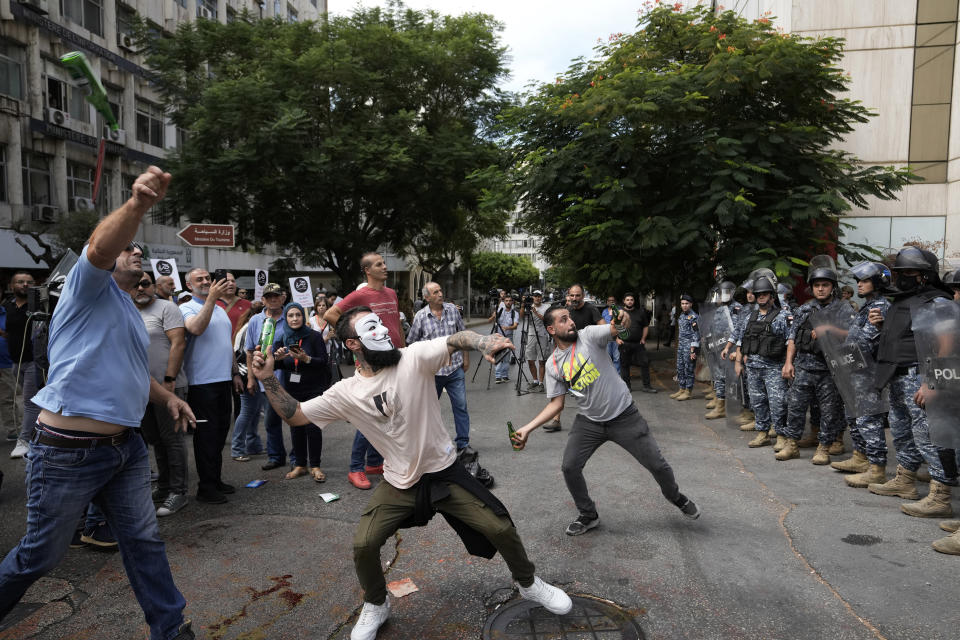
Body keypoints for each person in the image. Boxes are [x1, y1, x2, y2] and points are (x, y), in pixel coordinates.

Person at [250, 306, 572, 640]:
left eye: (383, 324)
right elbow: (297, 415)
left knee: (500, 527)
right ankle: (377, 603)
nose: (384, 330)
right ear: (352, 344)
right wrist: (268, 378)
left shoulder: (413, 358)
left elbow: (453, 340)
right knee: (364, 543)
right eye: (371, 327)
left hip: (445, 472)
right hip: (399, 482)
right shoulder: (345, 393)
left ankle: (528, 583)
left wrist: (481, 342)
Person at [0, 167, 197, 640]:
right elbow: (100, 249)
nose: (136, 253)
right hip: (67, 451)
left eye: (140, 250)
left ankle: (170, 632)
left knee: (144, 542)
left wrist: (166, 394)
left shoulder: (127, 309)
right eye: (131, 248)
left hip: (124, 449)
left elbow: (131, 371)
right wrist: (138, 206)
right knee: (40, 556)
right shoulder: (87, 287)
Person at [511, 306, 700, 537]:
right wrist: (527, 428)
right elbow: (556, 404)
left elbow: (616, 330)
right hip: (589, 422)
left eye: (570, 317)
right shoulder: (552, 365)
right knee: (570, 467)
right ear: (551, 329)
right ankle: (588, 515)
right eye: (563, 320)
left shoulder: (589, 335)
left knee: (657, 465)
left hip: (624, 416)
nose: (571, 322)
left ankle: (676, 497)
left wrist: (622, 321)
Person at [867, 247, 958, 518]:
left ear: (925, 275)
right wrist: (882, 326)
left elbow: (947, 342)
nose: (902, 277)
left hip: (919, 377)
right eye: (900, 272)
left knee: (928, 436)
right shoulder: (904, 301)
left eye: (909, 272)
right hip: (897, 376)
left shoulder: (937, 302)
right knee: (902, 432)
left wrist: (932, 383)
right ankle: (905, 480)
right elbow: (909, 337)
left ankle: (940, 495)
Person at [324, 252, 404, 490]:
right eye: (379, 264)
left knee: (389, 412)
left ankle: (374, 462)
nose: (384, 267)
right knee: (371, 414)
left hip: (395, 356)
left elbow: (396, 323)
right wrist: (355, 341)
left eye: (384, 263)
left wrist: (405, 348)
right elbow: (331, 315)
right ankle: (356, 468)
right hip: (372, 362)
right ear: (368, 270)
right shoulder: (360, 295)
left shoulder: (390, 293)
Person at [181, 267, 244, 504]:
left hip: (223, 381)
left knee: (218, 435)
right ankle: (205, 488)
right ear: (189, 285)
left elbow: (225, 346)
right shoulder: (186, 307)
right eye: (200, 279)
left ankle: (215, 480)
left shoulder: (219, 309)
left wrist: (235, 373)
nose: (206, 281)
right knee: (205, 437)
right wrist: (210, 299)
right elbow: (196, 328)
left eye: (208, 278)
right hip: (201, 383)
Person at [778, 258, 848, 462]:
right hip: (804, 367)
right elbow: (792, 337)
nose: (820, 289)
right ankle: (792, 444)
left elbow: (853, 335)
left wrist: (829, 330)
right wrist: (788, 362)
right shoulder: (804, 309)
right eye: (817, 285)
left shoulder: (842, 310)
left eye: (825, 285)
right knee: (795, 406)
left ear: (832, 287)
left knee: (829, 411)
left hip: (829, 370)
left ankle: (824, 448)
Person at [133, 272, 190, 516]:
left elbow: (178, 344)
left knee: (173, 439)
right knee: (155, 439)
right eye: (135, 284)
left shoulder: (167, 308)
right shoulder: (127, 309)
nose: (140, 288)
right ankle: (165, 485)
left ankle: (179, 492)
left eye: (145, 283)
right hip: (140, 388)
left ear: (154, 286)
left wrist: (169, 381)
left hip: (169, 387)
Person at [830, 262, 891, 488]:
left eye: (864, 280)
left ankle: (876, 470)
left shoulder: (880, 307)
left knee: (868, 419)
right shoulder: (867, 307)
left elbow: (866, 342)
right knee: (854, 417)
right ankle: (860, 457)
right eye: (859, 280)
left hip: (868, 373)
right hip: (855, 371)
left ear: (877, 282)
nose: (859, 284)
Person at [407, 282, 472, 452]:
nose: (440, 294)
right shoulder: (420, 317)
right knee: (427, 410)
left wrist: (466, 358)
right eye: (436, 292)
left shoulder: (452, 310)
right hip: (432, 372)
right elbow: (412, 343)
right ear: (427, 297)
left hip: (454, 368)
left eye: (440, 290)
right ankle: (427, 443)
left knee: (461, 406)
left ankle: (463, 443)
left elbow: (463, 335)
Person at [273, 302, 330, 482]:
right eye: (291, 315)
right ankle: (300, 465)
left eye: (298, 315)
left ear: (303, 317)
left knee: (313, 427)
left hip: (314, 387)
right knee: (296, 427)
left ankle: (315, 465)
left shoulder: (313, 336)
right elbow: (276, 365)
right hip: (292, 388)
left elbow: (323, 362)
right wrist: (278, 359)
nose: (295, 318)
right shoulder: (282, 337)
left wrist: (306, 359)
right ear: (286, 318)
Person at [734, 276, 789, 448]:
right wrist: (738, 361)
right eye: (759, 294)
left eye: (765, 294)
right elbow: (741, 340)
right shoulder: (751, 316)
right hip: (753, 367)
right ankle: (763, 433)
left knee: (778, 402)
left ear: (772, 296)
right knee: (757, 402)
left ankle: (781, 435)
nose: (761, 297)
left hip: (774, 368)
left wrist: (789, 364)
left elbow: (790, 342)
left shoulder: (783, 316)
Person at [243, 283, 289, 471]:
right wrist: (251, 378)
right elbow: (248, 351)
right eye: (268, 296)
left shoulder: (292, 315)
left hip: (289, 376)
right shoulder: (255, 321)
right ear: (263, 299)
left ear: (283, 297)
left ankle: (300, 458)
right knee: (271, 419)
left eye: (276, 296)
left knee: (299, 417)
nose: (273, 299)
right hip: (266, 380)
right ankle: (276, 456)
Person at [4, 271, 40, 458]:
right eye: (20, 282)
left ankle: (24, 440)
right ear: (12, 286)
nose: (25, 285)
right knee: (35, 402)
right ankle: (41, 432)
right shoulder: (7, 306)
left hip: (35, 360)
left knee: (30, 402)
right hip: (16, 362)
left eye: (29, 282)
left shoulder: (38, 306)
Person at [230, 305, 264, 461]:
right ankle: (237, 449)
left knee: (254, 411)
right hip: (246, 374)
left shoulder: (246, 326)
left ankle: (253, 445)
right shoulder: (251, 327)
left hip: (248, 373)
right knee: (247, 411)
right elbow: (245, 353)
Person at [617, 293, 658, 393]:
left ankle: (647, 386)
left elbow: (645, 326)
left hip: (638, 344)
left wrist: (643, 338)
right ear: (624, 301)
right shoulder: (620, 313)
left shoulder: (640, 313)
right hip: (624, 343)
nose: (630, 301)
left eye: (631, 299)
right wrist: (616, 339)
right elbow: (613, 327)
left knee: (644, 363)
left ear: (634, 301)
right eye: (627, 300)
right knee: (625, 365)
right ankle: (627, 387)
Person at [519, 290, 551, 391]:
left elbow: (547, 320)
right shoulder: (529, 305)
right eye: (535, 296)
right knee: (530, 359)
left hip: (542, 334)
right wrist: (523, 305)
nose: (537, 298)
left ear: (541, 297)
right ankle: (535, 381)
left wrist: (535, 312)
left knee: (542, 360)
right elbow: (521, 317)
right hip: (531, 334)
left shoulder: (547, 307)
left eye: (539, 296)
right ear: (532, 297)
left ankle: (541, 383)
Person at [670, 294, 699, 400]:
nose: (684, 305)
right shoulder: (682, 315)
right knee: (680, 368)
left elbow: (696, 335)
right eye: (682, 304)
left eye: (686, 303)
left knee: (689, 369)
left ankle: (688, 391)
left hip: (689, 347)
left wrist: (693, 351)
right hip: (681, 346)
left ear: (691, 304)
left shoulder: (694, 317)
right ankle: (681, 389)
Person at [488, 293, 518, 383]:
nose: (508, 302)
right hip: (499, 337)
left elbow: (515, 326)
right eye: (506, 301)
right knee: (498, 356)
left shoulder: (514, 313)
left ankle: (505, 375)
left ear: (512, 302)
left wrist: (507, 328)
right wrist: (494, 316)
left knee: (506, 357)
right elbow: (489, 321)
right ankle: (498, 376)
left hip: (508, 337)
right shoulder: (499, 311)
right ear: (503, 302)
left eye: (510, 301)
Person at [217, 271, 252, 338]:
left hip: (240, 346)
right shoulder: (211, 304)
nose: (231, 283)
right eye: (227, 281)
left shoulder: (248, 304)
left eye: (233, 281)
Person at [600, 296, 622, 374]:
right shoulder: (604, 311)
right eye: (609, 300)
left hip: (616, 337)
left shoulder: (619, 311)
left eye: (613, 300)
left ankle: (617, 375)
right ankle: (609, 375)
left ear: (615, 302)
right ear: (607, 302)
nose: (611, 302)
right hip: (607, 337)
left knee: (617, 357)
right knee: (608, 357)